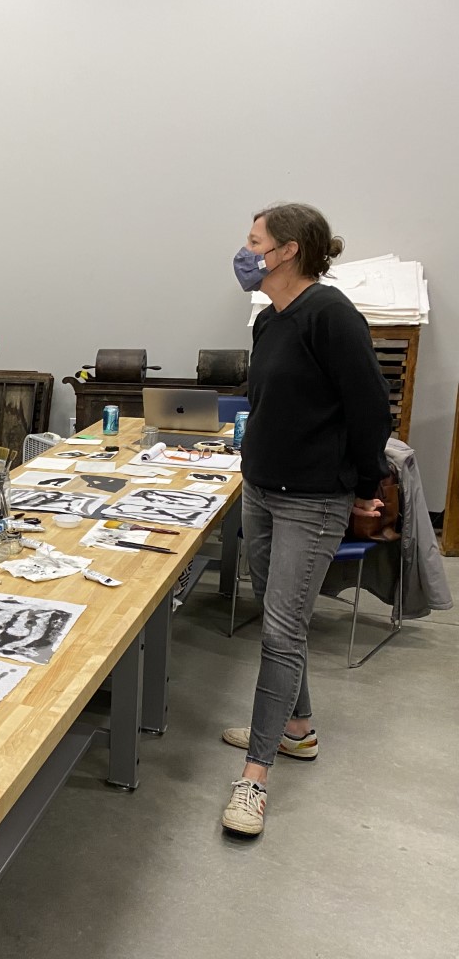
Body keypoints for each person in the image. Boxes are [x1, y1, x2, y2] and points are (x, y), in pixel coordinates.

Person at [220, 203, 392, 837]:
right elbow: (270, 403)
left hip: (314, 499)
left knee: (281, 633)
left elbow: (371, 407)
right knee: (274, 614)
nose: (244, 250)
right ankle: (295, 730)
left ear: (287, 251)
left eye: (254, 240)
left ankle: (255, 776)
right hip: (263, 489)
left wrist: (366, 486)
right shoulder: (270, 321)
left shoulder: (332, 316)